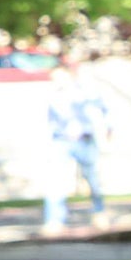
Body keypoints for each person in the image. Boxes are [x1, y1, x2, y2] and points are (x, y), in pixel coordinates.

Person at [48, 88, 113, 231]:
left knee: (92, 179)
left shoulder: (86, 94)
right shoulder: (53, 97)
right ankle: (54, 220)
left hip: (85, 140)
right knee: (56, 181)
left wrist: (108, 128)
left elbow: (104, 109)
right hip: (62, 140)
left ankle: (99, 212)